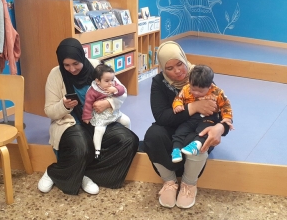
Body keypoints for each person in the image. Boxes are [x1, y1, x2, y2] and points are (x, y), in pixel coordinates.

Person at [38, 38, 139, 195]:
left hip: (99, 120)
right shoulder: (55, 75)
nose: (72, 69)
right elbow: (49, 111)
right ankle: (54, 172)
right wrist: (64, 106)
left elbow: (121, 90)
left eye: (76, 63)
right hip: (71, 123)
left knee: (129, 140)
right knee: (82, 147)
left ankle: (83, 174)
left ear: (81, 57)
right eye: (66, 65)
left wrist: (108, 103)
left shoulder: (96, 67)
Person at [143, 41, 231, 209]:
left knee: (199, 139)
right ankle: (169, 181)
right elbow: (161, 117)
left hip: (198, 128)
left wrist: (221, 128)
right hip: (172, 127)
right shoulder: (159, 82)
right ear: (162, 68)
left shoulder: (200, 75)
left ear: (184, 59)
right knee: (152, 136)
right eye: (169, 68)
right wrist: (193, 107)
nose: (177, 71)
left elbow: (222, 109)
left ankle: (189, 184)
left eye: (179, 64)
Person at [171, 64, 233, 163]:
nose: (195, 93)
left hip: (208, 118)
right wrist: (177, 105)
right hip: (191, 117)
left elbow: (226, 105)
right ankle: (176, 150)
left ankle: (196, 144)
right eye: (193, 89)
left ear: (209, 86)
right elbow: (178, 98)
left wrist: (227, 118)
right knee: (180, 131)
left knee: (204, 131)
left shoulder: (217, 92)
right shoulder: (186, 89)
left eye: (200, 91)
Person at [82, 63, 131, 159]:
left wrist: (116, 89)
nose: (111, 83)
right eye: (107, 81)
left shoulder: (113, 85)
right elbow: (87, 105)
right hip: (101, 115)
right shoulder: (93, 91)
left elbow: (122, 90)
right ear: (98, 81)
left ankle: (129, 135)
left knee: (127, 120)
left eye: (112, 80)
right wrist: (86, 117)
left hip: (114, 112)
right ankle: (97, 151)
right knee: (99, 130)